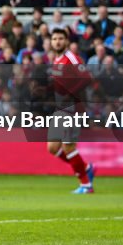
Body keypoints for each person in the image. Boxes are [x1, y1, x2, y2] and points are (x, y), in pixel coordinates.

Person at [46, 29, 95, 194]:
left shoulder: (72, 58)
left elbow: (87, 77)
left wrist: (69, 94)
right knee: (52, 147)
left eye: (60, 38)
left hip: (72, 108)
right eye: (54, 39)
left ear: (66, 41)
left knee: (68, 147)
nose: (57, 41)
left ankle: (86, 185)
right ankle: (86, 167)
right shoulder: (56, 60)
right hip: (60, 109)